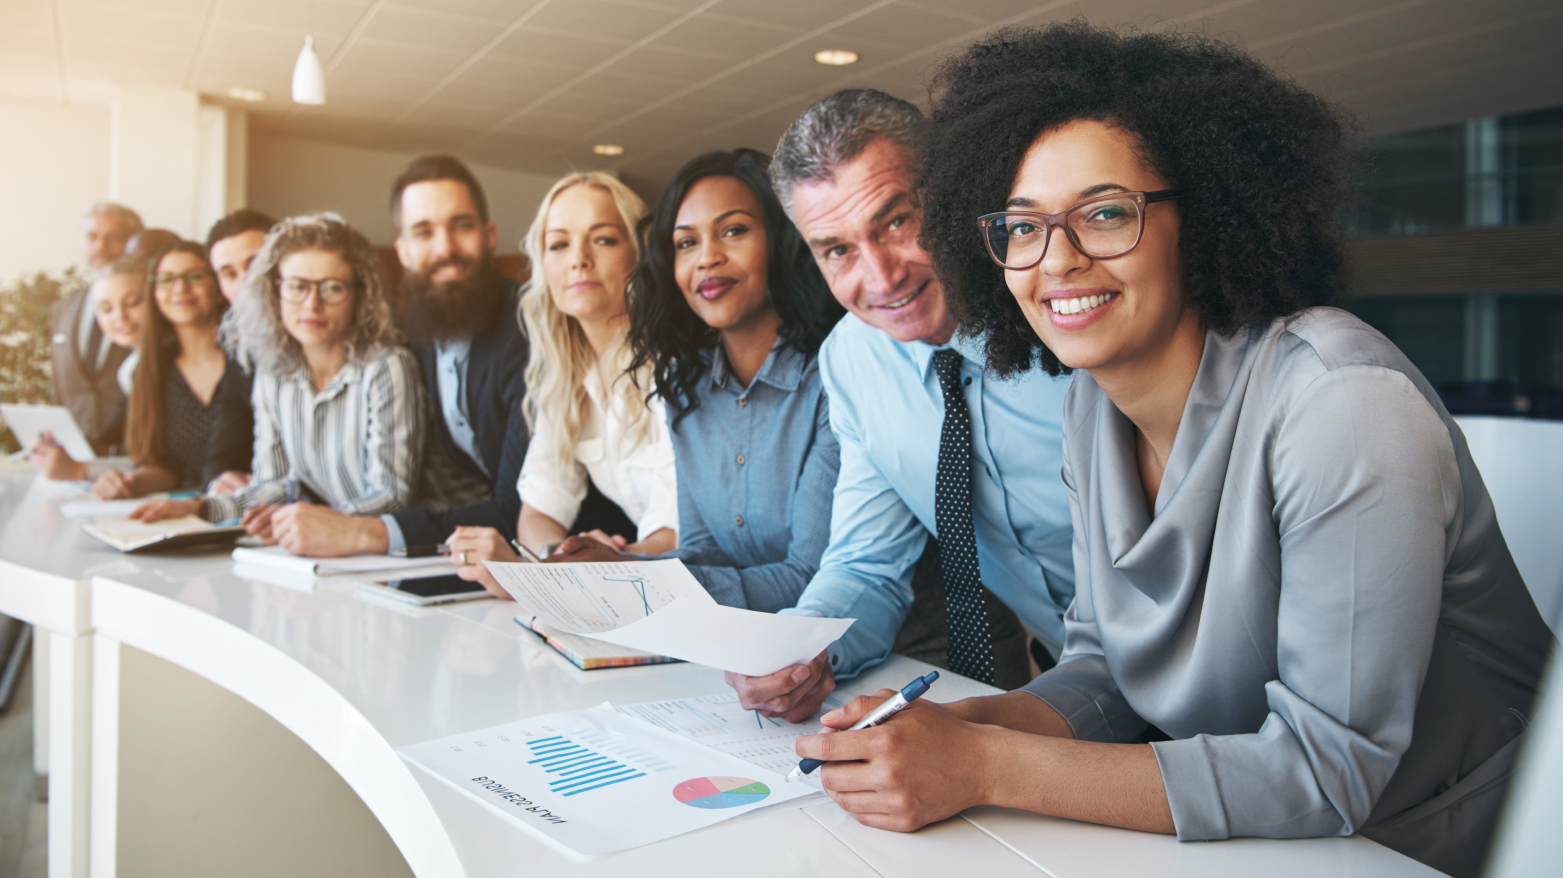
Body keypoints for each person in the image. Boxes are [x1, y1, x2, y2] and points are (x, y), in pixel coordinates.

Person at [792, 25, 1554, 878]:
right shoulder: (1092, 408)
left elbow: (1330, 772)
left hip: (1431, 841)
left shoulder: (1340, 402)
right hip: (1248, 829)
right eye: (1023, 226)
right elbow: (1105, 671)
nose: (1058, 260)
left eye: (1105, 213)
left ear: (1204, 214)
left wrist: (986, 765)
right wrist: (970, 730)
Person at [723, 89, 1078, 720]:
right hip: (1073, 684)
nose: (882, 278)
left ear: (949, 192)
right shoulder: (853, 361)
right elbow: (866, 564)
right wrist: (802, 648)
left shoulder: (1067, 311)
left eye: (895, 222)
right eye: (837, 249)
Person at [488, 148, 845, 612]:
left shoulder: (831, 379)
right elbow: (703, 552)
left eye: (733, 231)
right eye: (685, 243)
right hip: (741, 638)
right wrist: (586, 569)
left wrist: (621, 576)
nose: (707, 258)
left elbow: (810, 577)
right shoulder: (690, 386)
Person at [248, 156, 529, 557]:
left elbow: (520, 506)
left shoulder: (527, 329)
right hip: (468, 549)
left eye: (461, 225)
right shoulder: (423, 328)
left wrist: (354, 530)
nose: (445, 248)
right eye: (424, 231)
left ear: (489, 235)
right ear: (403, 251)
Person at [446, 172, 674, 590]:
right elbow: (537, 514)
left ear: (640, 254)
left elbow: (682, 532)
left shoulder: (675, 364)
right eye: (559, 244)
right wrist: (561, 557)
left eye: (603, 239)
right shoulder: (567, 375)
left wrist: (580, 567)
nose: (578, 259)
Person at [133, 214, 427, 535]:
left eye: (332, 288)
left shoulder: (387, 366)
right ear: (275, 293)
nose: (311, 305)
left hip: (393, 550)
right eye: (297, 287)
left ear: (360, 294)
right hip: (321, 548)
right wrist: (200, 508)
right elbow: (272, 485)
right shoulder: (273, 370)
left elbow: (393, 496)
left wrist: (314, 522)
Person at [91, 242, 252, 498]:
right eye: (167, 280)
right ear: (154, 293)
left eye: (195, 276)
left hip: (255, 513)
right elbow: (166, 467)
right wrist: (128, 483)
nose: (180, 288)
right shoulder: (150, 370)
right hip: (183, 514)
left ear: (220, 287)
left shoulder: (248, 361)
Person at [30, 257, 148, 481]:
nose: (120, 316)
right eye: (105, 308)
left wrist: (81, 470)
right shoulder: (131, 368)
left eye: (132, 302)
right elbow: (111, 443)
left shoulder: (167, 368)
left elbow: (163, 465)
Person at [50, 202, 141, 453]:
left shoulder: (151, 306)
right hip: (75, 455)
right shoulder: (61, 308)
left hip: (133, 451)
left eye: (114, 238)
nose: (100, 247)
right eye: (92, 237)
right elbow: (58, 389)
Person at [203, 209, 276, 495]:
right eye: (229, 273)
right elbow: (221, 454)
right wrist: (221, 479)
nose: (245, 283)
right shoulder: (240, 351)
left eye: (255, 264)